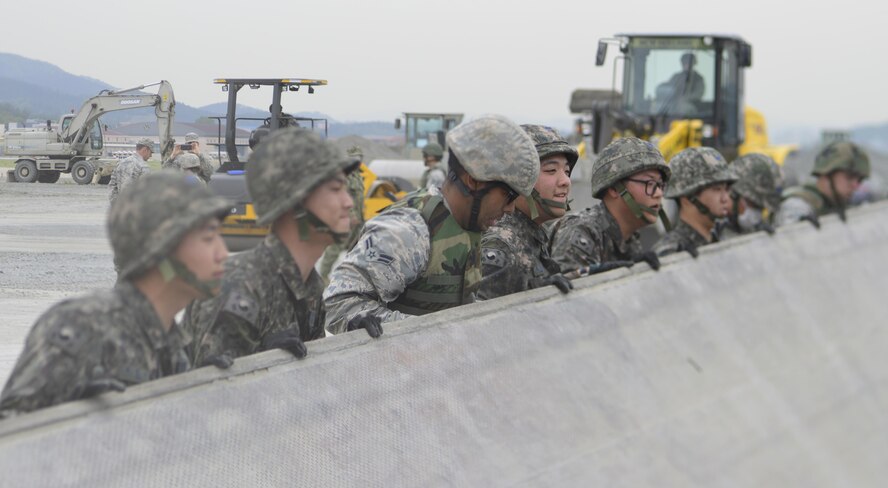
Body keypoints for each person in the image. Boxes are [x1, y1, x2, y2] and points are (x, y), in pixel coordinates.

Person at [0, 172, 231, 418]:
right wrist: (69, 419)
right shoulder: (83, 326)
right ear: (161, 250)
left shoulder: (174, 342)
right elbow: (10, 430)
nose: (223, 253)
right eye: (208, 238)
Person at [324, 114, 539, 334]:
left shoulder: (470, 225)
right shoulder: (408, 231)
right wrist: (429, 333)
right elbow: (338, 303)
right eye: (509, 196)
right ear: (474, 181)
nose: (511, 208)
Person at [183, 128, 358, 368]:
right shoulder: (238, 286)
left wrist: (356, 344)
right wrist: (261, 359)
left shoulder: (308, 285)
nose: (348, 202)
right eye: (335, 190)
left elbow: (312, 376)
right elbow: (208, 387)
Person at [478, 125, 577, 299]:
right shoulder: (502, 244)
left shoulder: (531, 233)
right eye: (551, 170)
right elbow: (480, 314)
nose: (565, 181)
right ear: (516, 180)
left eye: (567, 171)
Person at [549, 137, 670, 274]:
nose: (658, 193)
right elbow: (570, 283)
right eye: (650, 183)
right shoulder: (581, 230)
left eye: (660, 185)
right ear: (614, 189)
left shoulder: (629, 237)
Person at [651, 147, 737, 257]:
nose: (725, 198)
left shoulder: (724, 238)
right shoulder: (671, 252)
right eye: (717, 189)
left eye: (726, 189)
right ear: (687, 198)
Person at [778, 141, 869, 227]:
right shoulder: (797, 205)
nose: (856, 186)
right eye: (849, 177)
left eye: (860, 180)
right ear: (827, 173)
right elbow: (789, 231)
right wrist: (802, 227)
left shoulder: (843, 206)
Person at [318, 145, 367, 283]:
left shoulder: (358, 176)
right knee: (337, 245)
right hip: (347, 218)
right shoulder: (345, 176)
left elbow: (359, 198)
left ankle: (351, 275)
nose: (358, 161)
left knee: (356, 248)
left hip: (359, 219)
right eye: (355, 158)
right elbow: (344, 196)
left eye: (360, 157)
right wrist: (351, 215)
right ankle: (323, 274)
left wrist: (360, 214)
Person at [721, 153, 782, 238]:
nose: (756, 213)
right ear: (732, 193)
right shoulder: (713, 230)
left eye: (761, 208)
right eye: (755, 204)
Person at [109, 137, 153, 204]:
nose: (151, 155)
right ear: (145, 149)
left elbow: (112, 185)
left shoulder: (120, 163)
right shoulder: (144, 167)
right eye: (151, 152)